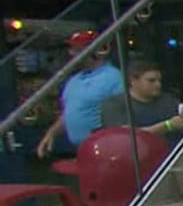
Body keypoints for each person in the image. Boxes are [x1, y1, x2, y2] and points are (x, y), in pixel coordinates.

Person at [36, 31, 124, 159]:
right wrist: (51, 134)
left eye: (77, 50)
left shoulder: (113, 77)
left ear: (95, 52)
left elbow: (124, 112)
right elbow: (68, 113)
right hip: (80, 150)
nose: (71, 53)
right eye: (72, 49)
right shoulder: (74, 80)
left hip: (106, 151)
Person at [99, 59, 183, 142]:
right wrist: (168, 125)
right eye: (151, 81)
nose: (158, 85)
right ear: (132, 81)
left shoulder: (168, 100)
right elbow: (128, 137)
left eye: (159, 80)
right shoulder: (114, 104)